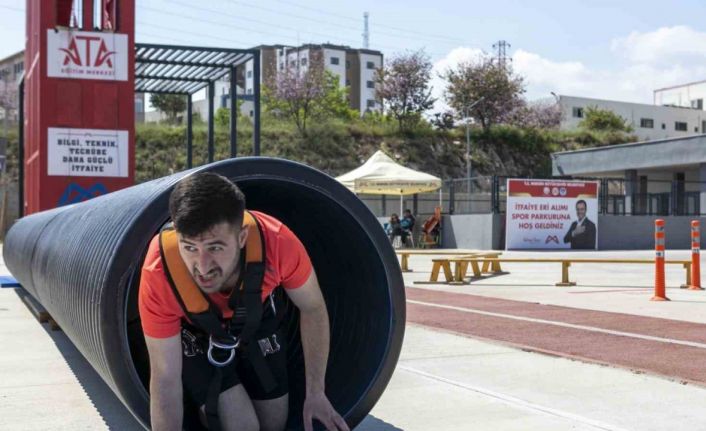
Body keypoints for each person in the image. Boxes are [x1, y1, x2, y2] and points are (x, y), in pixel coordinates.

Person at [139, 173, 348, 431]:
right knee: (242, 425)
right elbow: (165, 377)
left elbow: (313, 307)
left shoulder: (278, 243)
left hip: (254, 319)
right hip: (194, 332)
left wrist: (316, 392)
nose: (202, 267)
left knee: (273, 424)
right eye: (190, 248)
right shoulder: (160, 270)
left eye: (215, 248)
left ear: (241, 238)